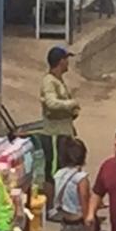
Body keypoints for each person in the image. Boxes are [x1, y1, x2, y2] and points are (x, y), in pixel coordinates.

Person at [53, 138, 93, 231]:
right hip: (78, 226)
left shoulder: (58, 175)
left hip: (65, 224)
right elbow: (84, 203)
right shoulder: (81, 178)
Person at [39, 46, 79, 184]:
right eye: (66, 59)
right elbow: (51, 103)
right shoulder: (49, 81)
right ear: (61, 61)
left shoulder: (58, 80)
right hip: (54, 135)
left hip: (64, 133)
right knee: (54, 174)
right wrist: (71, 104)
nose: (68, 63)